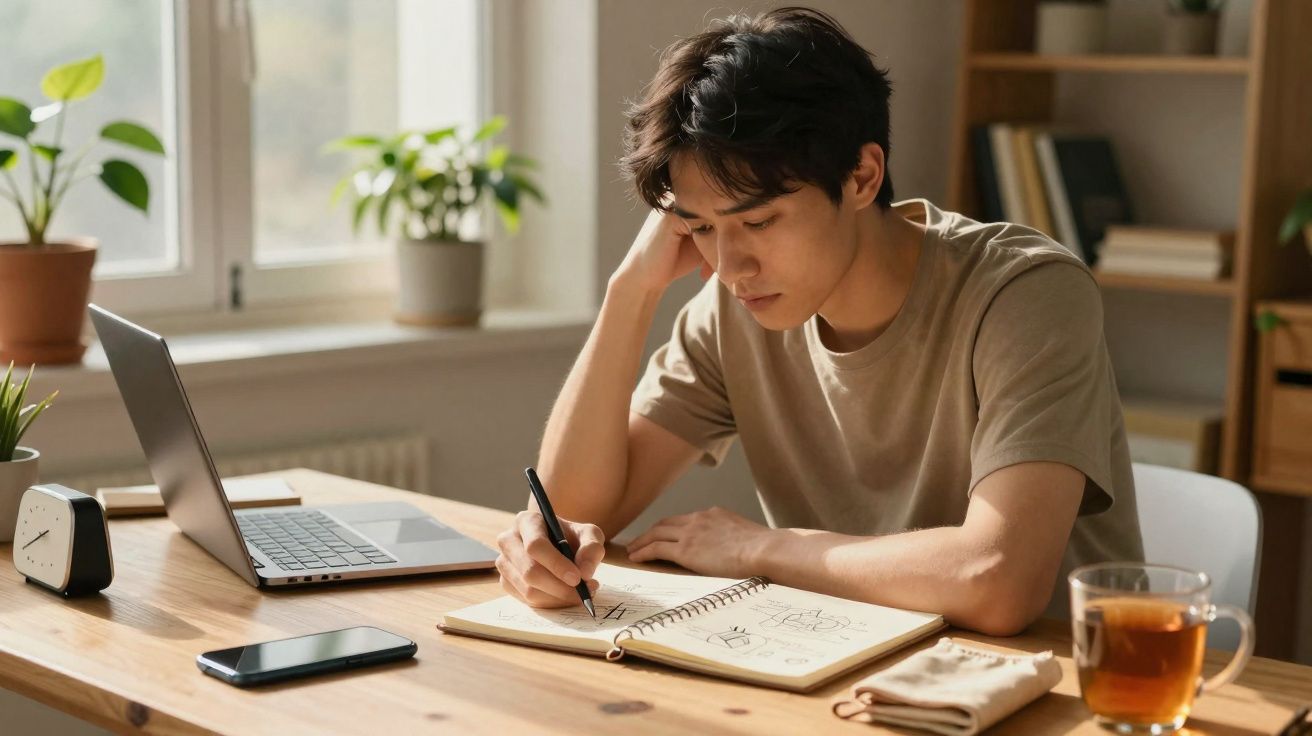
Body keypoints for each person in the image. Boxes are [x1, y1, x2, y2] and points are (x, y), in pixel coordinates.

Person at [493, 6, 1142, 636]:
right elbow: (575, 519)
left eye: (757, 221)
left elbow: (998, 581)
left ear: (861, 176)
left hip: (1055, 686)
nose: (730, 263)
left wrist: (762, 550)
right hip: (847, 668)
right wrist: (628, 291)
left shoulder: (1025, 294)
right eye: (699, 228)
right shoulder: (733, 309)